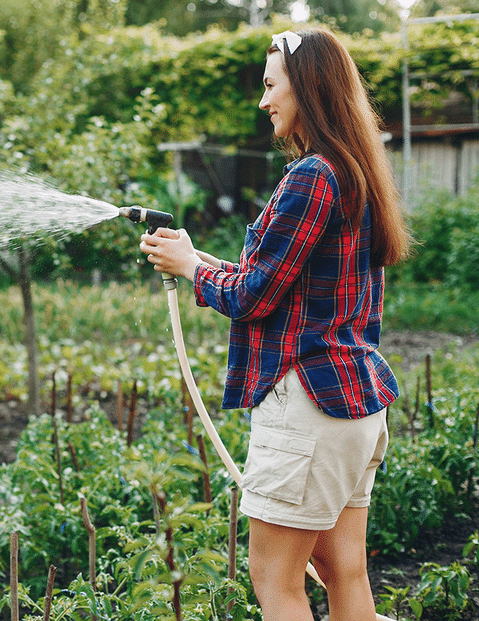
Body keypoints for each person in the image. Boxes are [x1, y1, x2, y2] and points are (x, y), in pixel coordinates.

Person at [139, 28, 412, 621]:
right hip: (354, 404)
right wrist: (199, 263)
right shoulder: (354, 170)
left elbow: (255, 296)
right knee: (346, 575)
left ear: (307, 88)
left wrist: (192, 271)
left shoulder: (312, 176)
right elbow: (283, 283)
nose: (263, 101)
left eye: (271, 86)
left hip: (309, 406)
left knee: (276, 583)